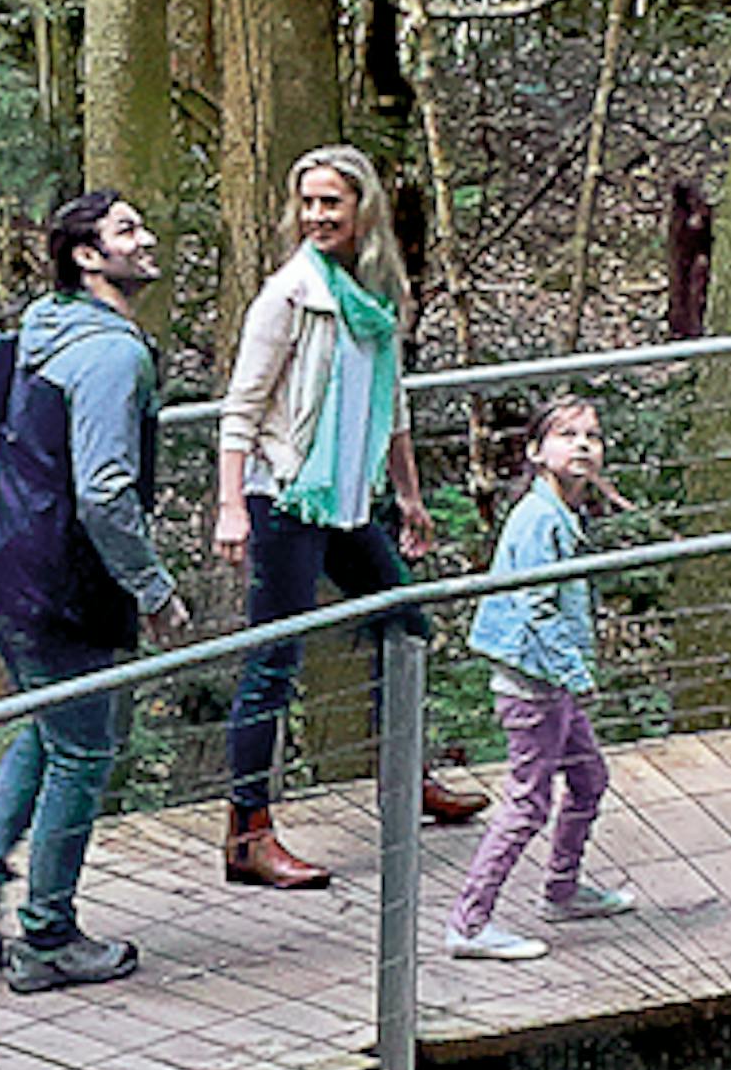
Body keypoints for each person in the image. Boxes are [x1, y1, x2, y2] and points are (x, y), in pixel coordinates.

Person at [0, 189, 192, 989]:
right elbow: (107, 491)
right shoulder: (113, 354)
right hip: (60, 581)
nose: (145, 238)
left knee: (52, 728)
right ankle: (47, 936)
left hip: (2, 562)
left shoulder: (45, 324)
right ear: (88, 256)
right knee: (82, 747)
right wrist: (152, 588)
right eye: (126, 230)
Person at [212, 141, 487, 890]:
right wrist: (233, 505)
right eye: (308, 203)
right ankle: (248, 834)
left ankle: (405, 779)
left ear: (364, 208)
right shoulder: (290, 297)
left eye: (331, 202)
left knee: (405, 623)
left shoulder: (374, 296)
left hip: (343, 500)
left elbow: (387, 403)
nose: (317, 216)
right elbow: (240, 409)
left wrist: (407, 495)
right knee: (274, 661)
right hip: (287, 496)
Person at [448, 394, 635, 961]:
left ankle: (562, 888)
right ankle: (470, 923)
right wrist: (575, 672)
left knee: (587, 781)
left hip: (551, 681)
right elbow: (535, 605)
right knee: (527, 804)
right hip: (533, 684)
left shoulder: (564, 512)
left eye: (592, 436)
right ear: (535, 451)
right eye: (567, 435)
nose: (582, 445)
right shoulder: (536, 519)